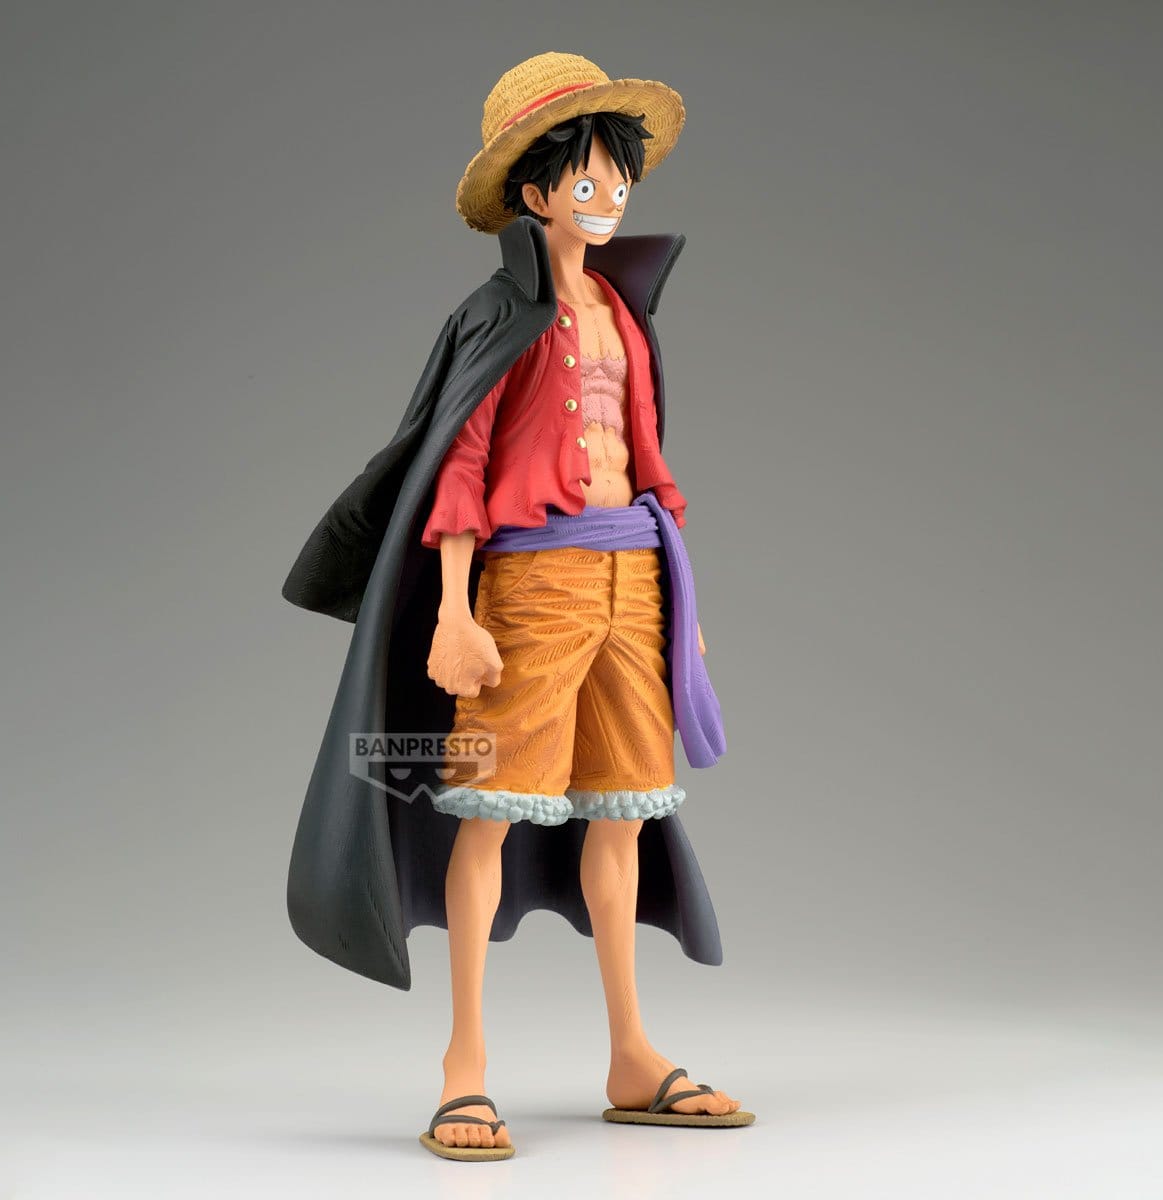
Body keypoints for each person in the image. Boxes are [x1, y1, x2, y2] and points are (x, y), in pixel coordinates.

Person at [282, 52, 752, 1162]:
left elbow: (650, 461)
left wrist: (680, 600)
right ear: (535, 191)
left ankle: (630, 1052)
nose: (609, 198)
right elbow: (456, 468)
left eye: (618, 180)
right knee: (487, 810)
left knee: (623, 810)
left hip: (633, 580)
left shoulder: (624, 312)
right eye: (587, 181)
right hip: (530, 590)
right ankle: (465, 1067)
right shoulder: (500, 316)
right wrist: (455, 610)